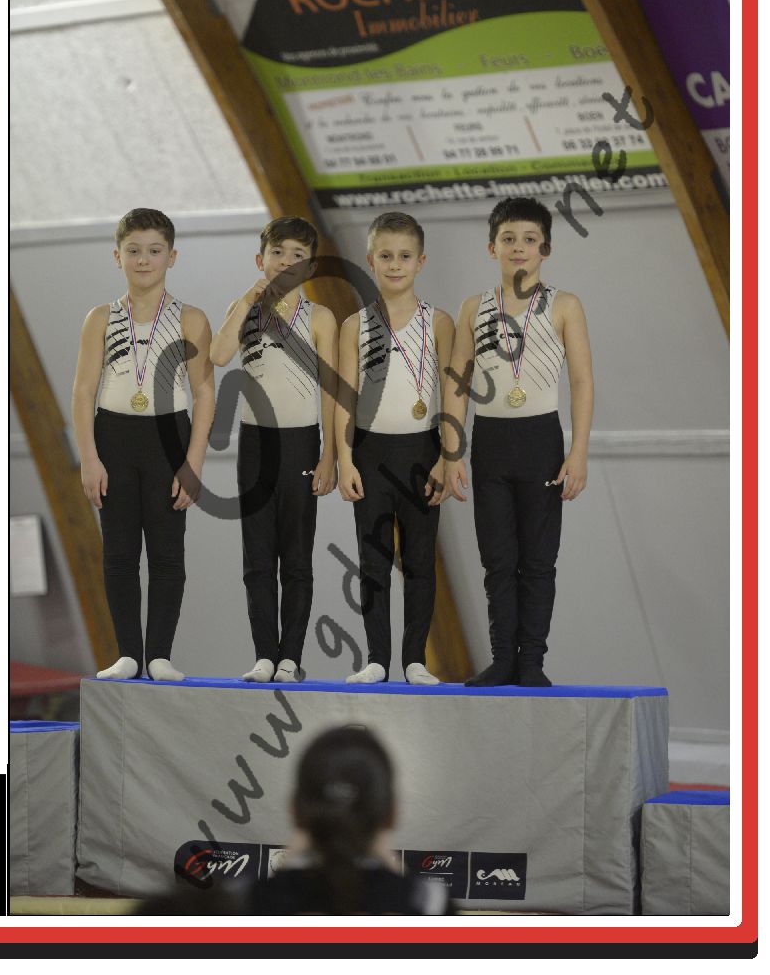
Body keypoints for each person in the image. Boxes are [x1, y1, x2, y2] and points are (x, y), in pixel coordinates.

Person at [443, 196, 594, 687]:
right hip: (491, 443)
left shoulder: (565, 305)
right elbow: (458, 383)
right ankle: (503, 659)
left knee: (538, 562)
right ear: (492, 248)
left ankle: (532, 663)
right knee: (498, 561)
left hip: (541, 441)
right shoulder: (474, 308)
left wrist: (578, 452)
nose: (518, 247)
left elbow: (582, 381)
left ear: (545, 248)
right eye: (508, 239)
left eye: (529, 239)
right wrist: (451, 452)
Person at [71, 208, 215, 682]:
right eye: (133, 251)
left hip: (168, 438)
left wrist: (193, 463)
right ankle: (129, 654)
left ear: (172, 256)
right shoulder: (100, 318)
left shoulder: (191, 319)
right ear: (117, 256)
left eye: (154, 251)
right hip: (114, 437)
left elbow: (204, 393)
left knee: (167, 553)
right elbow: (83, 391)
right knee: (119, 553)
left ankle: (159, 656)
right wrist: (89, 458)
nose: (143, 259)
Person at [210, 216, 337, 683]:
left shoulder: (320, 318)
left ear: (310, 267)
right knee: (258, 558)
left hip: (302, 441)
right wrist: (247, 299)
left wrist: (329, 454)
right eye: (278, 253)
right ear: (260, 259)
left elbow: (331, 392)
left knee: (296, 557)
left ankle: (290, 657)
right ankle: (265, 654)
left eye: (297, 256)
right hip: (255, 443)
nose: (286, 262)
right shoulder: (244, 309)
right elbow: (218, 356)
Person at [336, 212, 454, 685]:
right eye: (385, 256)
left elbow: (451, 395)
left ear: (420, 262)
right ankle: (377, 660)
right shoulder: (354, 325)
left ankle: (415, 661)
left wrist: (447, 457)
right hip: (371, 453)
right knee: (374, 562)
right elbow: (344, 397)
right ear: (371, 261)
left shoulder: (438, 323)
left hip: (423, 451)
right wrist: (344, 459)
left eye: (405, 256)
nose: (395, 265)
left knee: (420, 560)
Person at [248, 725, 450, 914]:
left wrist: (282, 869)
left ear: (295, 811)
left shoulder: (248, 903)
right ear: (392, 814)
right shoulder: (431, 905)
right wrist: (397, 869)